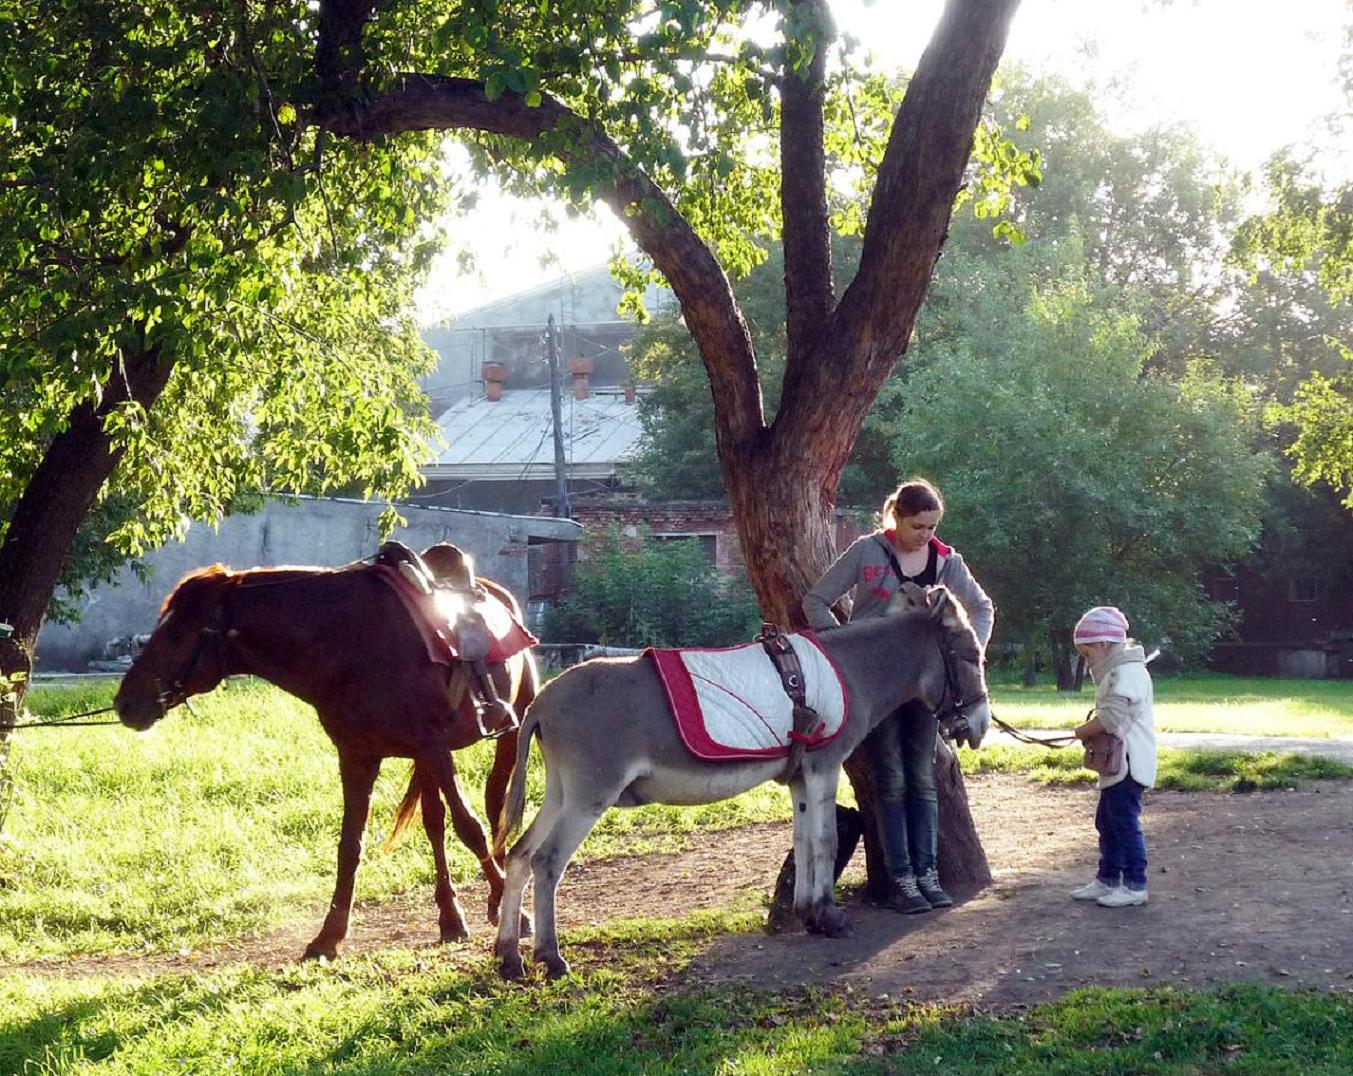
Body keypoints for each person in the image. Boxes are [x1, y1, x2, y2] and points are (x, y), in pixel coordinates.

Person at [802, 478, 994, 914]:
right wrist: (848, 647)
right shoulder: (867, 551)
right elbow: (816, 600)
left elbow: (982, 607)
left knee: (923, 780)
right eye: (918, 526)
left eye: (932, 527)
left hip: (927, 689)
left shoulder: (947, 560)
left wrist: (969, 650)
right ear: (897, 517)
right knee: (891, 781)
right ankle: (901, 880)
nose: (926, 535)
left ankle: (928, 875)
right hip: (880, 688)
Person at [1070, 606, 1157, 908]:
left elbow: (1112, 718)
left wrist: (1082, 731)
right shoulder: (1121, 672)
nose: (1087, 660)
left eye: (1087, 653)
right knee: (1107, 821)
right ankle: (1108, 878)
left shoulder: (1127, 673)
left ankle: (1135, 884)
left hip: (1129, 764)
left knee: (1124, 822)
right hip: (1119, 764)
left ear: (1104, 645)